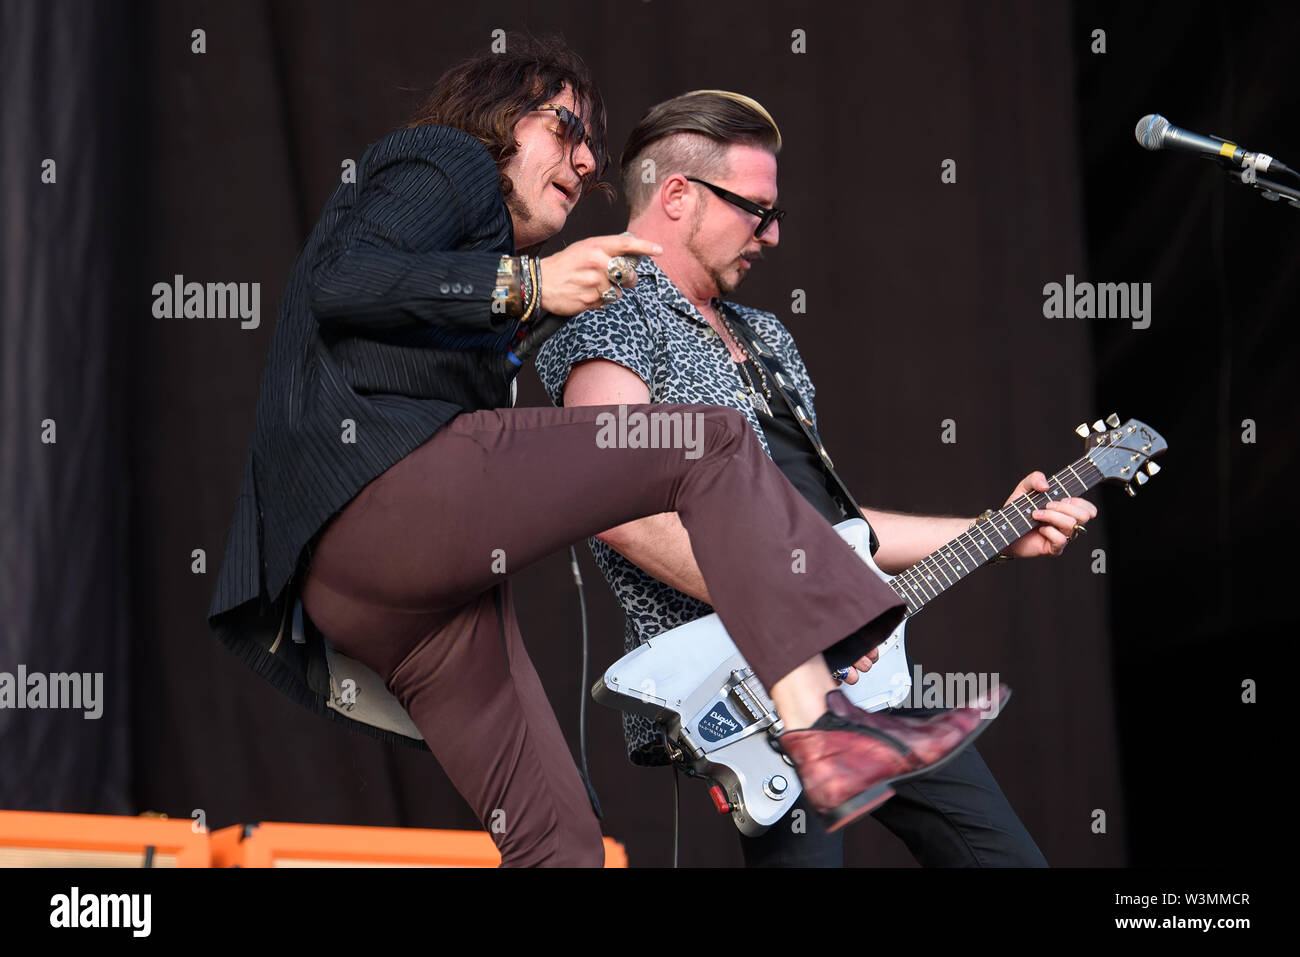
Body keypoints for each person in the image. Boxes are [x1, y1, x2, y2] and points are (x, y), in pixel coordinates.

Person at [206, 38, 998, 868]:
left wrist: (521, 299)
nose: (587, 162)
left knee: (562, 843)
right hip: (377, 496)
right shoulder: (445, 160)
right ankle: (825, 722)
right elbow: (340, 279)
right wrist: (532, 287)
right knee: (704, 437)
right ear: (499, 116)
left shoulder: (489, 267)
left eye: (592, 146)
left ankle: (824, 719)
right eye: (566, 128)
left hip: (389, 600)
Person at [536, 90, 1098, 867]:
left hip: (857, 671)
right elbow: (615, 506)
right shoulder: (612, 316)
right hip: (745, 683)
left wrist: (998, 530)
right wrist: (804, 612)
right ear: (676, 196)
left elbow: (836, 530)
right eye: (754, 209)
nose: (771, 234)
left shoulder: (766, 335)